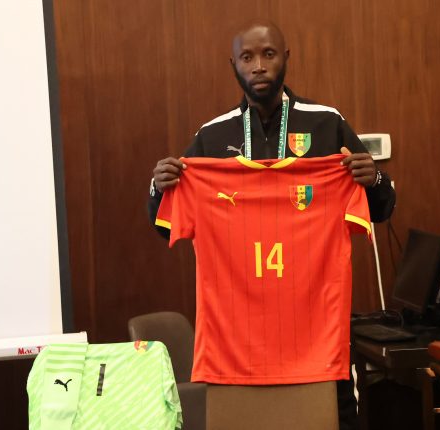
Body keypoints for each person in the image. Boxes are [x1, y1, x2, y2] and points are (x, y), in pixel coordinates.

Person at [148, 21, 396, 430]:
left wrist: (376, 179)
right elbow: (166, 226)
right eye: (247, 57)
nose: (258, 66)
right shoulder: (212, 136)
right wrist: (159, 188)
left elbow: (382, 209)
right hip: (236, 346)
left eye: (268, 54)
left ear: (286, 58)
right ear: (233, 65)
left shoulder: (326, 123)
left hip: (316, 337)